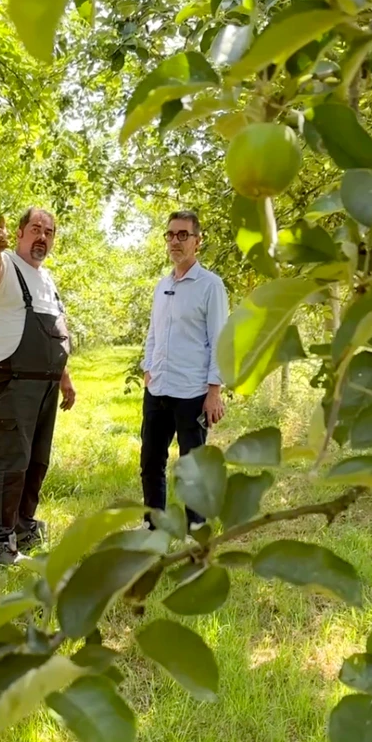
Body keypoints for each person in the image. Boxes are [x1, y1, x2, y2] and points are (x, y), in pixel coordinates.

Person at [0, 206, 76, 565]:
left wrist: (64, 377)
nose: (42, 237)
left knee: (37, 460)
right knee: (11, 460)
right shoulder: (5, 267)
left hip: (45, 386)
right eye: (35, 229)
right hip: (11, 383)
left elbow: (56, 330)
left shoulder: (46, 278)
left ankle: (22, 525)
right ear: (19, 233)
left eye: (49, 232)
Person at [141, 210, 229, 527]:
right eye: (170, 235)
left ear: (197, 241)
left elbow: (220, 340)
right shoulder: (162, 286)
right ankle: (153, 523)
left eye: (183, 235)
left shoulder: (210, 286)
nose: (175, 241)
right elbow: (153, 333)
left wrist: (214, 391)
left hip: (192, 392)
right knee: (151, 462)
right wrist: (147, 369)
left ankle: (197, 527)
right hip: (158, 388)